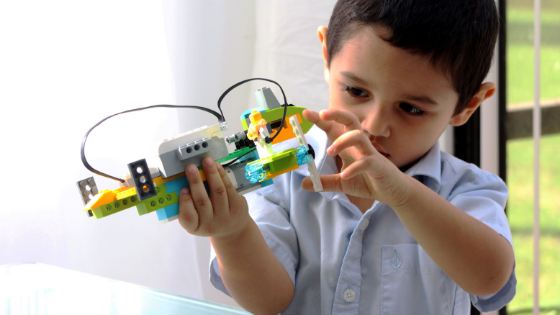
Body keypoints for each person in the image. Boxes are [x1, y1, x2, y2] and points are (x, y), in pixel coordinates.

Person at [177, 0, 516, 314]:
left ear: (467, 106)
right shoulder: (279, 173)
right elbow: (268, 300)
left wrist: (403, 194)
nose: (374, 125)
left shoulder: (467, 191)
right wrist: (232, 233)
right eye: (356, 91)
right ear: (326, 55)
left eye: (411, 108)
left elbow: (489, 278)